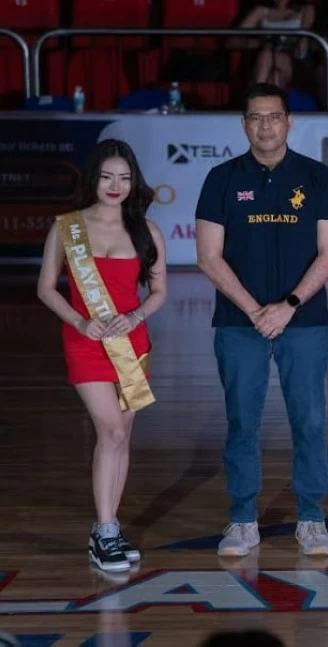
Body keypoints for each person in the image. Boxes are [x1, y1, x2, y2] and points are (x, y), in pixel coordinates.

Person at [195, 83, 328, 558]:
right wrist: (255, 309)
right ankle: (242, 519)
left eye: (274, 116)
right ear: (244, 124)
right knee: (242, 420)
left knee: (311, 420)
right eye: (256, 117)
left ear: (288, 122)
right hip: (239, 324)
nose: (265, 125)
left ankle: (311, 517)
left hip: (304, 322)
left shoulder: (318, 177)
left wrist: (288, 305)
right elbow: (208, 256)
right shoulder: (221, 178)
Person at [36, 139, 167, 572]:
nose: (116, 185)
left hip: (132, 343)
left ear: (135, 182)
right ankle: (106, 529)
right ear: (94, 178)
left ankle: (107, 529)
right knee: (109, 431)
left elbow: (159, 292)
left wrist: (134, 317)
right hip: (85, 341)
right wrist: (79, 322)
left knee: (121, 438)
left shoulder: (147, 231)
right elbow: (45, 288)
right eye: (108, 176)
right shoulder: (68, 227)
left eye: (125, 178)